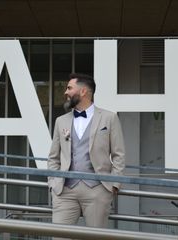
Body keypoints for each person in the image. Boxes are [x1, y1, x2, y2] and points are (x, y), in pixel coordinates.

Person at [48, 73, 125, 235]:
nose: (66, 92)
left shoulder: (109, 118)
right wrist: (53, 184)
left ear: (83, 91)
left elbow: (119, 154)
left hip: (98, 190)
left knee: (95, 238)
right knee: (60, 237)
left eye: (69, 88)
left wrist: (114, 185)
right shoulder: (60, 121)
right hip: (65, 191)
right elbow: (53, 157)